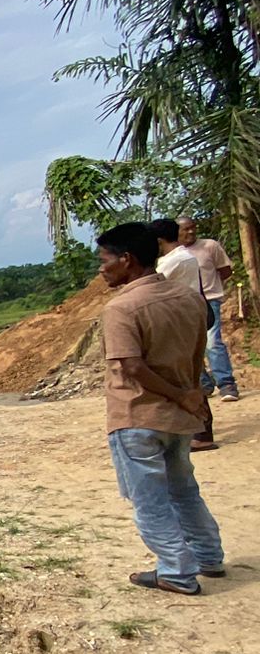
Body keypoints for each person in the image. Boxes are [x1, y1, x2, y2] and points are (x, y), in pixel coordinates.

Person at [96, 222, 224, 594]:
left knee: (148, 499)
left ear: (127, 259)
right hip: (178, 417)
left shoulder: (121, 308)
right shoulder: (189, 299)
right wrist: (187, 394)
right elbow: (197, 351)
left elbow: (132, 367)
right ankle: (209, 557)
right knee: (184, 490)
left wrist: (178, 394)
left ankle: (175, 569)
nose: (101, 269)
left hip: (137, 415)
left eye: (105, 260)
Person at [149, 219, 217, 450]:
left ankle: (203, 431)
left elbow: (150, 282)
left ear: (159, 241)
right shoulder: (183, 257)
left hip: (182, 320)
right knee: (191, 374)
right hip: (188, 317)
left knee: (191, 377)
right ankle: (199, 429)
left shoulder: (174, 261)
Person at [176, 216, 240, 401]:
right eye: (185, 229)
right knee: (190, 347)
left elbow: (225, 270)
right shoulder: (174, 254)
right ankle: (204, 384)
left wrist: (213, 288)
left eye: (192, 228)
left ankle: (227, 385)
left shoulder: (210, 246)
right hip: (185, 305)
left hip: (210, 301)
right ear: (176, 232)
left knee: (212, 342)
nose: (191, 232)